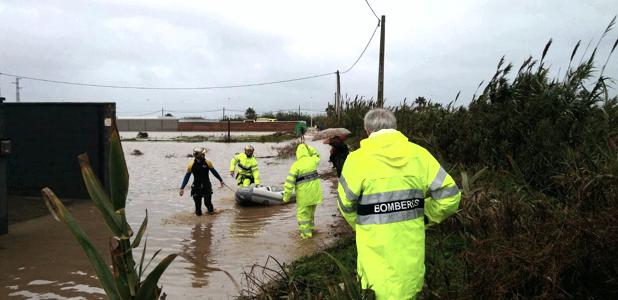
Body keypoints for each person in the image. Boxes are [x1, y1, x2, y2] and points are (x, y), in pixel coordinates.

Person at [337, 108, 461, 299]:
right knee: (410, 291)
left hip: (373, 258)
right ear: (395, 127)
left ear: (367, 131)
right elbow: (450, 196)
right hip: (411, 260)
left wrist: (363, 225)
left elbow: (345, 206)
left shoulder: (356, 160)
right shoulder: (420, 155)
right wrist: (424, 215)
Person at [282, 143, 323, 239]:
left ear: (297, 153)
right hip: (315, 196)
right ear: (307, 151)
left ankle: (306, 238)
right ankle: (311, 230)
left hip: (304, 197)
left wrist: (286, 198)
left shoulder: (296, 165)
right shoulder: (313, 161)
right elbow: (317, 155)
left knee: (303, 217)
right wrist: (309, 147)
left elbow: (289, 183)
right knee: (311, 216)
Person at [179, 146, 224, 216]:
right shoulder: (191, 165)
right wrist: (182, 188)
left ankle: (210, 222)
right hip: (196, 187)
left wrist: (221, 180)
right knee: (198, 209)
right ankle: (198, 225)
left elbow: (214, 172)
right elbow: (187, 177)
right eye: (202, 154)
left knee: (207, 203)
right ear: (197, 155)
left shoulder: (208, 162)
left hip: (207, 186)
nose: (204, 155)